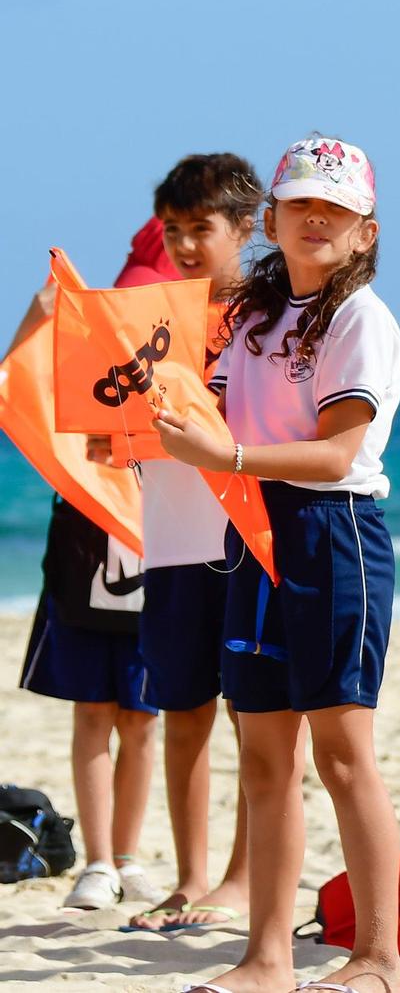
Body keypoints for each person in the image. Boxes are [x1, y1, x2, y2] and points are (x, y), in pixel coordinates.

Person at [154, 137, 400, 993]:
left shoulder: (362, 319)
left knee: (343, 753)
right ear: (272, 220)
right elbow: (210, 410)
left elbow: (337, 455)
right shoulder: (258, 317)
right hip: (251, 535)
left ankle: (376, 957)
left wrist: (223, 457)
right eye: (301, 204)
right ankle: (266, 956)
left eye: (335, 208)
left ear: (366, 230)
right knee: (263, 755)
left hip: (335, 533)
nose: (317, 218)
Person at [13, 219, 175, 912]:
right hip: (82, 559)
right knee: (92, 714)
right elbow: (17, 393)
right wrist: (34, 318)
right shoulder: (85, 364)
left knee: (141, 719)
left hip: (158, 556)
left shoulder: (179, 363)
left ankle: (131, 854)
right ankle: (100, 861)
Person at [119, 155, 261, 933]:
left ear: (244, 227)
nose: (182, 244)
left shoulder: (267, 315)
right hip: (172, 534)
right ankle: (191, 875)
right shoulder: (152, 317)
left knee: (254, 711)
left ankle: (241, 878)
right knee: (182, 709)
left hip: (243, 533)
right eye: (171, 231)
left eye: (199, 229)